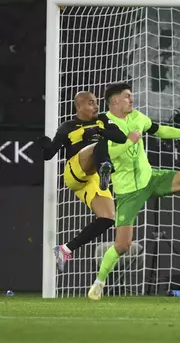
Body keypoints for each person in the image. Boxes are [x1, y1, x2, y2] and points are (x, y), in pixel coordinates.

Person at [87, 83, 180, 300]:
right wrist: (129, 142)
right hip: (128, 191)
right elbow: (108, 156)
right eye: (128, 96)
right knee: (122, 245)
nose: (132, 99)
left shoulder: (137, 116)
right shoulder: (104, 125)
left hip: (151, 178)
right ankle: (99, 283)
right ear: (115, 100)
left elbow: (160, 130)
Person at [39, 91, 126, 272]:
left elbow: (121, 137)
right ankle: (106, 168)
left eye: (96, 102)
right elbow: (49, 154)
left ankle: (65, 249)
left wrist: (100, 130)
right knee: (98, 145)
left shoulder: (102, 120)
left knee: (107, 218)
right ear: (79, 107)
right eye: (90, 103)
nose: (96, 106)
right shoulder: (67, 127)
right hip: (74, 171)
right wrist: (45, 142)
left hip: (93, 177)